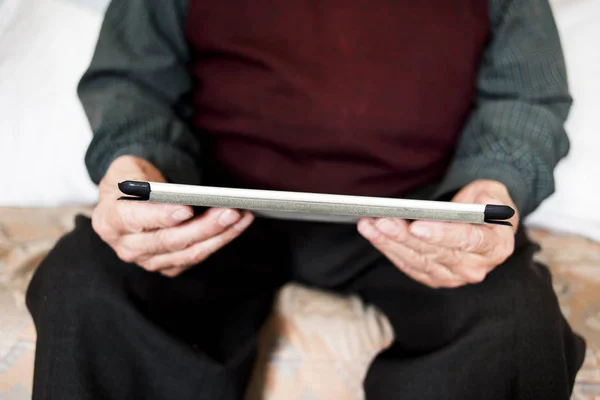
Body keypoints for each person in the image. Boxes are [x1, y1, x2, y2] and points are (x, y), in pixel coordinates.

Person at [26, 0, 586, 398]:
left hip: (413, 210)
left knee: (513, 316)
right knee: (87, 281)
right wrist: (133, 162)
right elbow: (132, 83)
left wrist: (493, 186)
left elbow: (525, 98)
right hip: (218, 202)